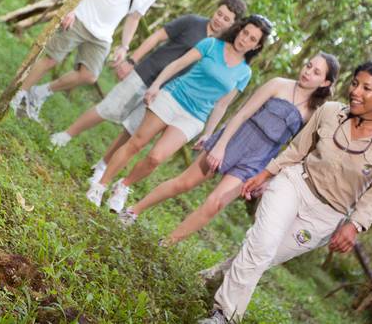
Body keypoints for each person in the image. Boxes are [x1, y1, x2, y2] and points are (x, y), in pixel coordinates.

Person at [199, 62, 372, 324]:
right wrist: (266, 173)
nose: (355, 91)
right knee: (261, 246)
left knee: (265, 256)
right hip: (295, 184)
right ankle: (224, 316)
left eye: (367, 88)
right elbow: (297, 150)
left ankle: (215, 276)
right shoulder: (330, 112)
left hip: (326, 215)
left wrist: (354, 225)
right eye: (355, 83)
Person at [118, 53, 340, 241]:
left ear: (325, 83)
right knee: (184, 183)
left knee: (215, 205)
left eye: (316, 72)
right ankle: (132, 211)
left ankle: (167, 243)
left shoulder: (314, 114)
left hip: (257, 160)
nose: (308, 72)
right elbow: (242, 113)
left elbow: (297, 152)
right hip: (234, 140)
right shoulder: (278, 85)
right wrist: (220, 146)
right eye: (309, 65)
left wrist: (268, 178)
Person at [86, 15, 273, 213]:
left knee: (155, 158)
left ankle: (122, 186)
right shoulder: (211, 44)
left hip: (194, 117)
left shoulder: (245, 73)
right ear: (238, 29)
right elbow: (177, 65)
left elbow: (221, 105)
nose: (245, 40)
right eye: (245, 33)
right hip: (172, 97)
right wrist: (156, 86)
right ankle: (100, 186)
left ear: (256, 47)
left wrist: (208, 134)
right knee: (136, 143)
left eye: (252, 39)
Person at [49, 0, 247, 157]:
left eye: (226, 19)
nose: (219, 19)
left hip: (167, 93)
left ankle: (102, 166)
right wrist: (132, 60)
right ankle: (65, 135)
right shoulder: (192, 22)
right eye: (219, 13)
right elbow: (157, 37)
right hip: (146, 73)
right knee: (108, 109)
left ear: (234, 25)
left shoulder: (222, 50)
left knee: (132, 131)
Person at [10, 0, 179, 121]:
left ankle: (39, 93)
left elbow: (134, 17)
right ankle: (17, 95)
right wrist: (72, 8)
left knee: (89, 75)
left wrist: (124, 46)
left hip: (104, 34)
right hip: (80, 17)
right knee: (51, 59)